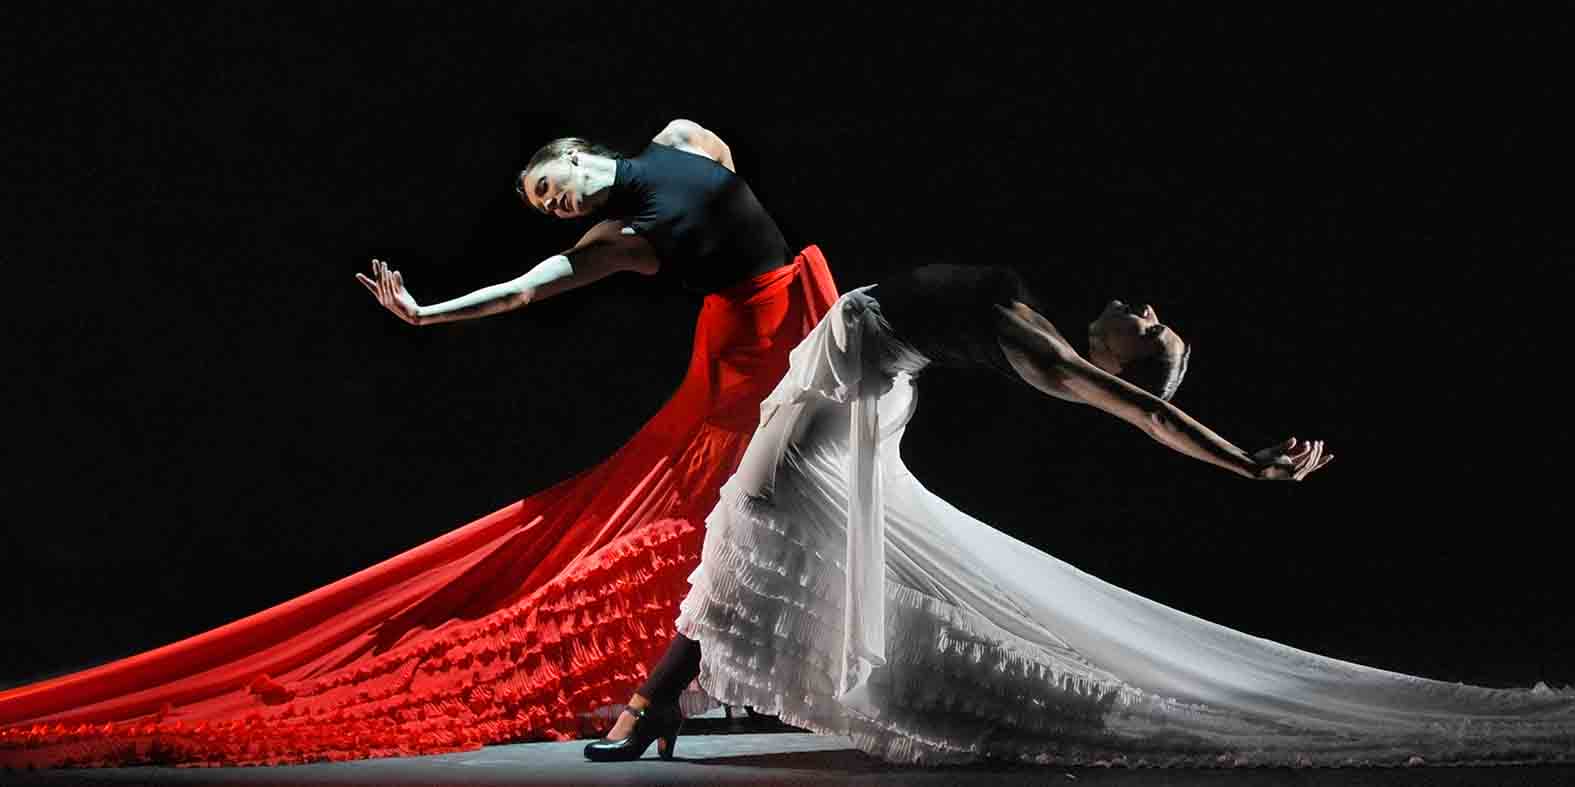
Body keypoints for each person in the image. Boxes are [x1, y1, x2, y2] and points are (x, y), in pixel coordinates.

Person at [0, 119, 839, 768]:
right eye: (548, 206)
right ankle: (674, 689)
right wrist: (426, 313)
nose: (559, 202)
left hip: (783, 304)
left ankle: (687, 689)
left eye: (556, 185)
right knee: (739, 512)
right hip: (742, 353)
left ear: (581, 154)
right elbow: (519, 291)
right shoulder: (618, 242)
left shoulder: (679, 139)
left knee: (779, 504)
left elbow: (723, 178)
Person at [589, 265, 1573, 766]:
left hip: (844, 397)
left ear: (1113, 359)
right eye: (1152, 313)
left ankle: (656, 703)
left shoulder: (1050, 356)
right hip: (864, 385)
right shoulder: (1051, 320)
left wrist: (1245, 460)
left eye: (1146, 329)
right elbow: (1144, 383)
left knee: (754, 523)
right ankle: (668, 699)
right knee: (760, 530)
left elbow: (1146, 412)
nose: (1141, 306)